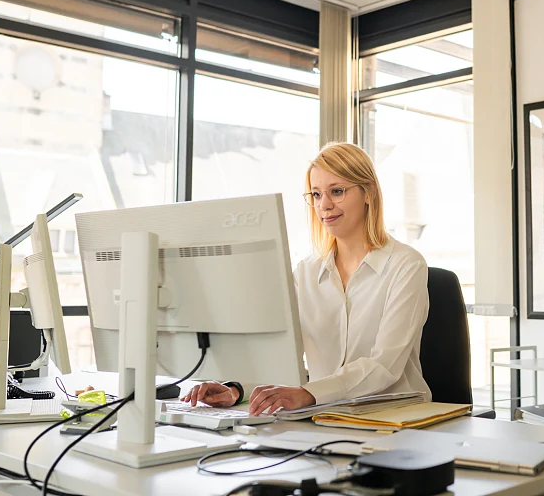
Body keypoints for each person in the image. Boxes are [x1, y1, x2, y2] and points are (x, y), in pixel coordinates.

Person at [181, 142, 431, 415]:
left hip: (396, 417)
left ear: (369, 192)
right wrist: (237, 389)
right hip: (325, 415)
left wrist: (308, 393)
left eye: (337, 191)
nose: (324, 205)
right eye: (315, 194)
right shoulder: (306, 272)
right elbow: (282, 353)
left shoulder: (406, 265)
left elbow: (384, 365)